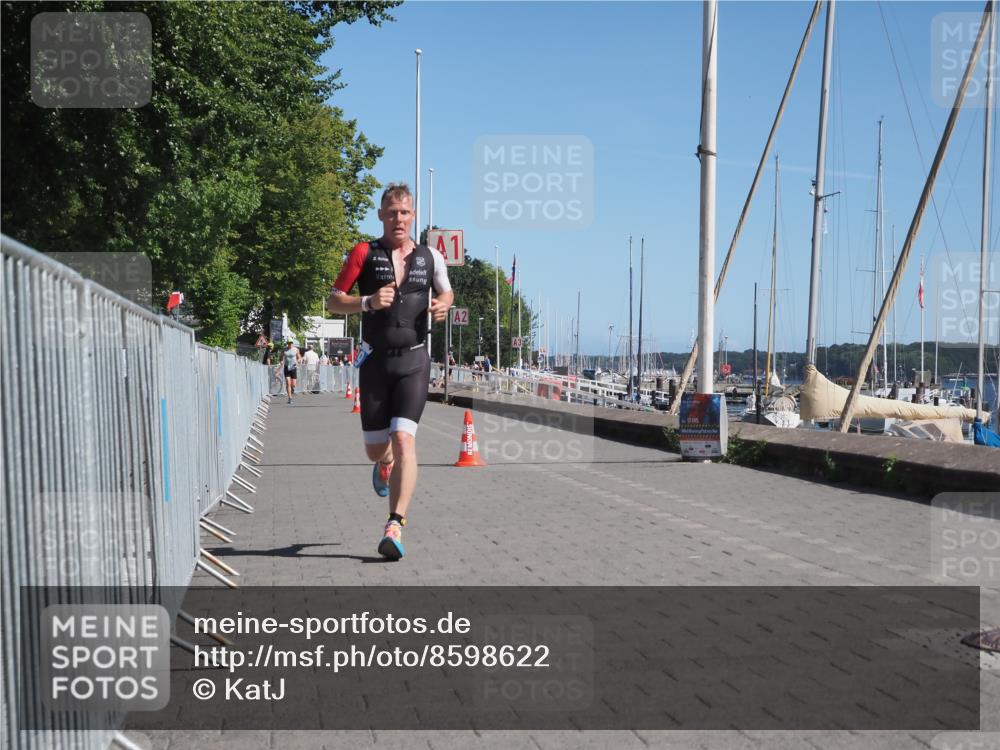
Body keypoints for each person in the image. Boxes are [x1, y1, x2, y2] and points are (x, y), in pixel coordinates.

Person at [327, 183, 453, 560]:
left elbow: (447, 292)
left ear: (413, 216)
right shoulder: (364, 253)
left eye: (405, 212)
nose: (399, 219)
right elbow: (333, 301)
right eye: (392, 212)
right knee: (376, 449)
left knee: (405, 440)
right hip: (376, 362)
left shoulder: (431, 257)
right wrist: (365, 302)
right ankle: (384, 464)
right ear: (381, 215)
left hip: (414, 360)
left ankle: (395, 525)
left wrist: (443, 304)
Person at [283, 340, 301, 404]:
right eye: (288, 343)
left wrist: (298, 361)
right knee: (288, 383)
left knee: (293, 385)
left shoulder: (296, 349)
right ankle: (290, 398)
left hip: (293, 367)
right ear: (287, 343)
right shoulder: (284, 350)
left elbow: (299, 357)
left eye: (291, 343)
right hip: (286, 367)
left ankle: (292, 389)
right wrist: (281, 361)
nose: (290, 344)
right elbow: (281, 357)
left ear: (292, 343)